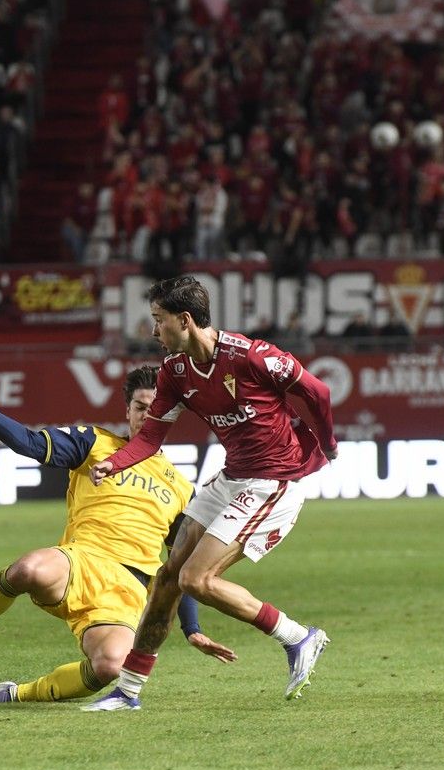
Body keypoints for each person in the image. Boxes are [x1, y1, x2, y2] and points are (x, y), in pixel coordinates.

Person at [0, 364, 235, 705]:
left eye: (155, 409)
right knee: (28, 570)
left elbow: (181, 566)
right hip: (79, 561)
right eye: (139, 407)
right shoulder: (94, 443)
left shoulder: (181, 487)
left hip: (128, 589)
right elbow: (28, 443)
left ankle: (10, 694)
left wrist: (193, 630)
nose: (146, 416)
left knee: (111, 666)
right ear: (127, 410)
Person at [84, 275, 337, 712]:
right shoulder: (175, 372)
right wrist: (114, 462)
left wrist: (326, 445)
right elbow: (149, 440)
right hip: (231, 478)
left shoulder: (254, 358)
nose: (153, 331)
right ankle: (128, 691)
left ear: (184, 320)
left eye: (158, 320)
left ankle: (298, 637)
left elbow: (317, 391)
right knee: (167, 580)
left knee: (195, 580)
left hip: (271, 483)